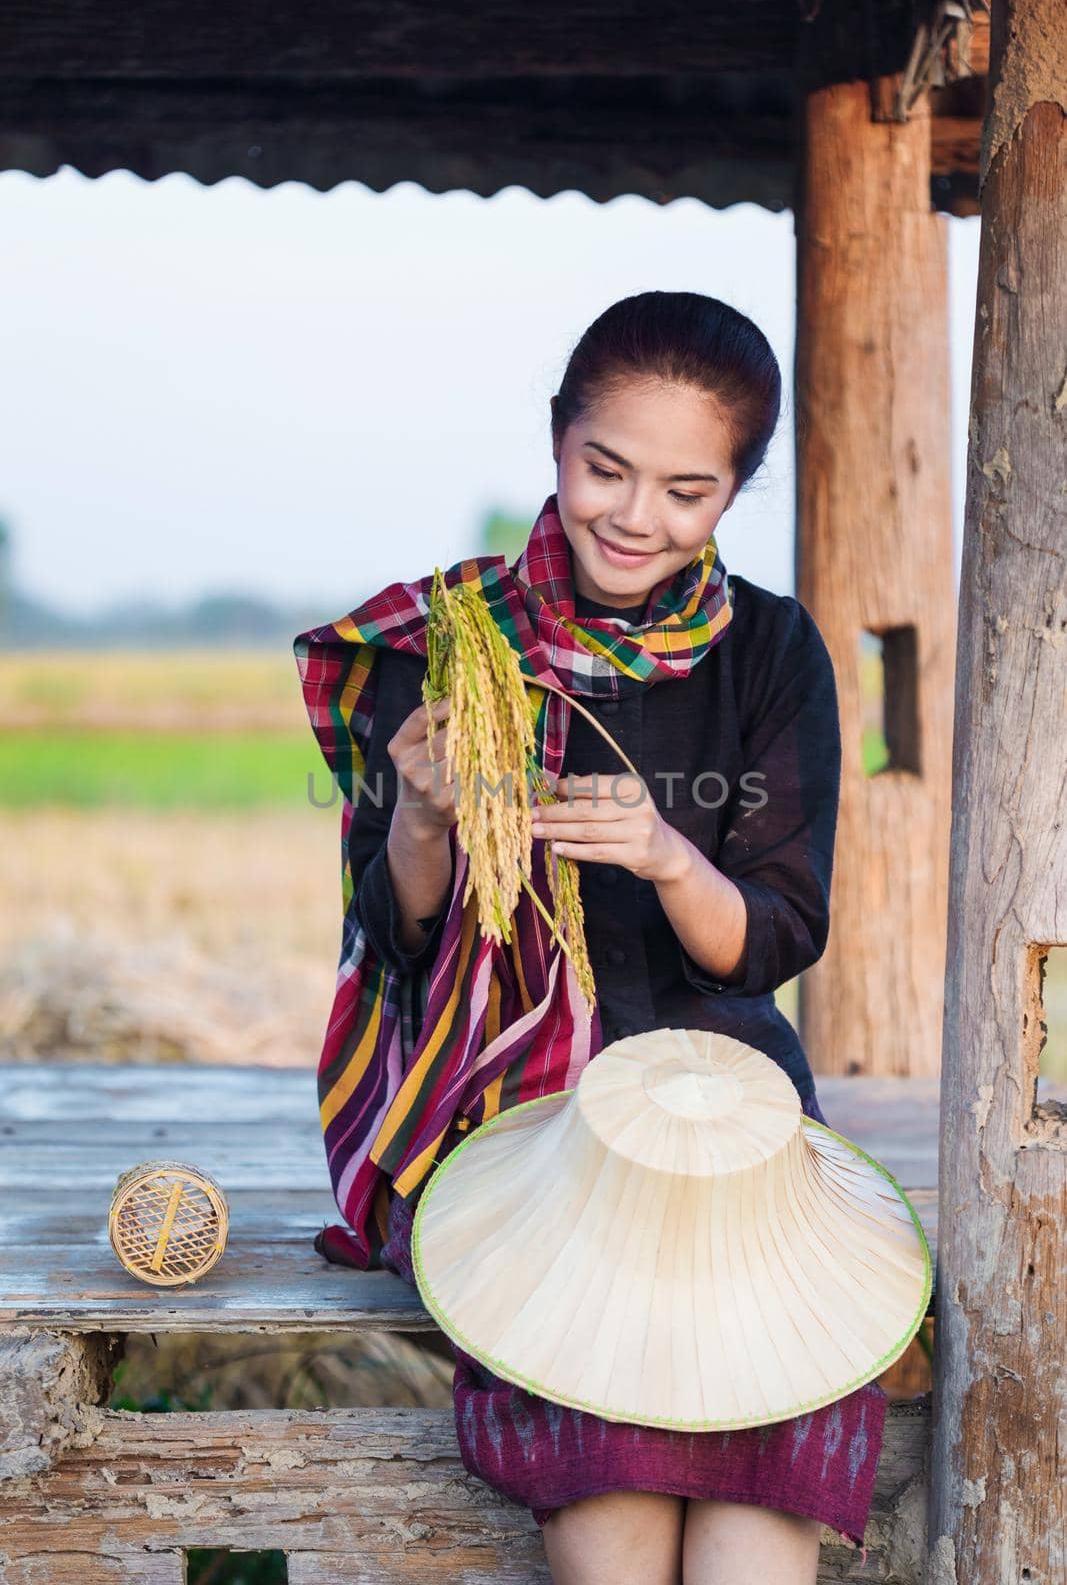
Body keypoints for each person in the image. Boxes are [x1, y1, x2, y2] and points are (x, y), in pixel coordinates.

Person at [294, 291, 887, 1585]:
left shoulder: (772, 651)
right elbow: (393, 950)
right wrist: (420, 820)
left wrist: (672, 856)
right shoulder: (451, 645)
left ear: (735, 492)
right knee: (610, 1528)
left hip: (721, 1110)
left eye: (687, 489)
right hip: (527, 1119)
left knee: (751, 1531)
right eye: (603, 469)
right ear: (556, 441)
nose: (635, 516)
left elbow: (774, 935)